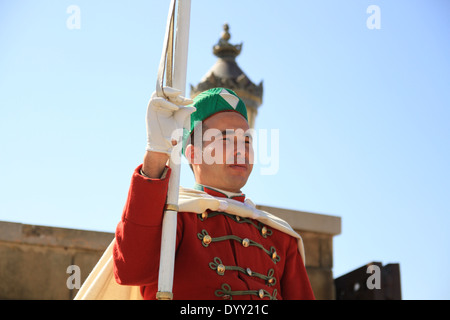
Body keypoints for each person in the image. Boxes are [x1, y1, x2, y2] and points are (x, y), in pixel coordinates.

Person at [113, 87, 315, 300]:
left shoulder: (281, 237)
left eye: (247, 141)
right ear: (193, 154)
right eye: (226, 139)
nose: (241, 151)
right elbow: (131, 270)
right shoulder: (173, 216)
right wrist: (156, 153)